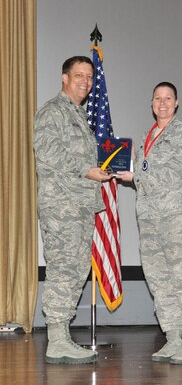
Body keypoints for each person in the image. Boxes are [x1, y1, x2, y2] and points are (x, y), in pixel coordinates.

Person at [116, 82, 182, 365]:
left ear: (177, 103)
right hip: (150, 219)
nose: (163, 103)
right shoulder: (147, 137)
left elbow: (170, 173)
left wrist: (135, 178)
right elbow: (144, 171)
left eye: (168, 98)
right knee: (158, 280)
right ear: (152, 103)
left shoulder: (181, 133)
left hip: (177, 218)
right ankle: (172, 339)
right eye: (158, 98)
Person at [34, 56, 112, 365]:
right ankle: (56, 339)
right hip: (62, 207)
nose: (86, 81)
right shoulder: (53, 112)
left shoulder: (78, 115)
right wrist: (86, 169)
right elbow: (47, 151)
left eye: (90, 77)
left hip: (78, 206)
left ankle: (62, 336)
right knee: (63, 270)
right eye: (79, 75)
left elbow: (84, 161)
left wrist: (107, 165)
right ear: (64, 78)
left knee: (74, 271)